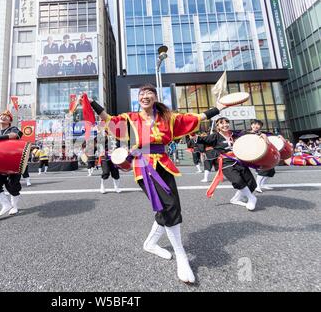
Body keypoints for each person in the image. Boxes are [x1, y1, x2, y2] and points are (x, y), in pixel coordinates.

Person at [85, 85, 226, 284]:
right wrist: (93, 104)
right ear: (138, 99)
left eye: (149, 93)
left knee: (169, 206)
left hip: (164, 165)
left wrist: (218, 107)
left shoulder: (168, 117)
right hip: (143, 165)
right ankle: (181, 256)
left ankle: (150, 243)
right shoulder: (130, 118)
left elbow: (196, 118)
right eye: (141, 94)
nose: (145, 96)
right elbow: (109, 120)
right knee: (168, 207)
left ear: (155, 97)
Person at [196, 118, 260, 211]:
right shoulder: (215, 136)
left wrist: (262, 135)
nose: (225, 125)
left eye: (226, 123)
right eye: (221, 123)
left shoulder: (234, 134)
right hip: (225, 162)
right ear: (217, 126)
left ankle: (236, 199)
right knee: (237, 180)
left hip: (239, 160)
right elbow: (200, 139)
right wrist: (192, 133)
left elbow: (248, 133)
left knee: (251, 183)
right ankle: (251, 198)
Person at [248, 119, 282, 193]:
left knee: (271, 170)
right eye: (254, 124)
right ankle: (257, 186)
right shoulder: (246, 133)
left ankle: (262, 184)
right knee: (264, 169)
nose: (256, 126)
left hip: (263, 153)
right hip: (254, 154)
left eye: (258, 125)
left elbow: (273, 135)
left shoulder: (263, 133)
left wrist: (279, 136)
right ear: (251, 125)